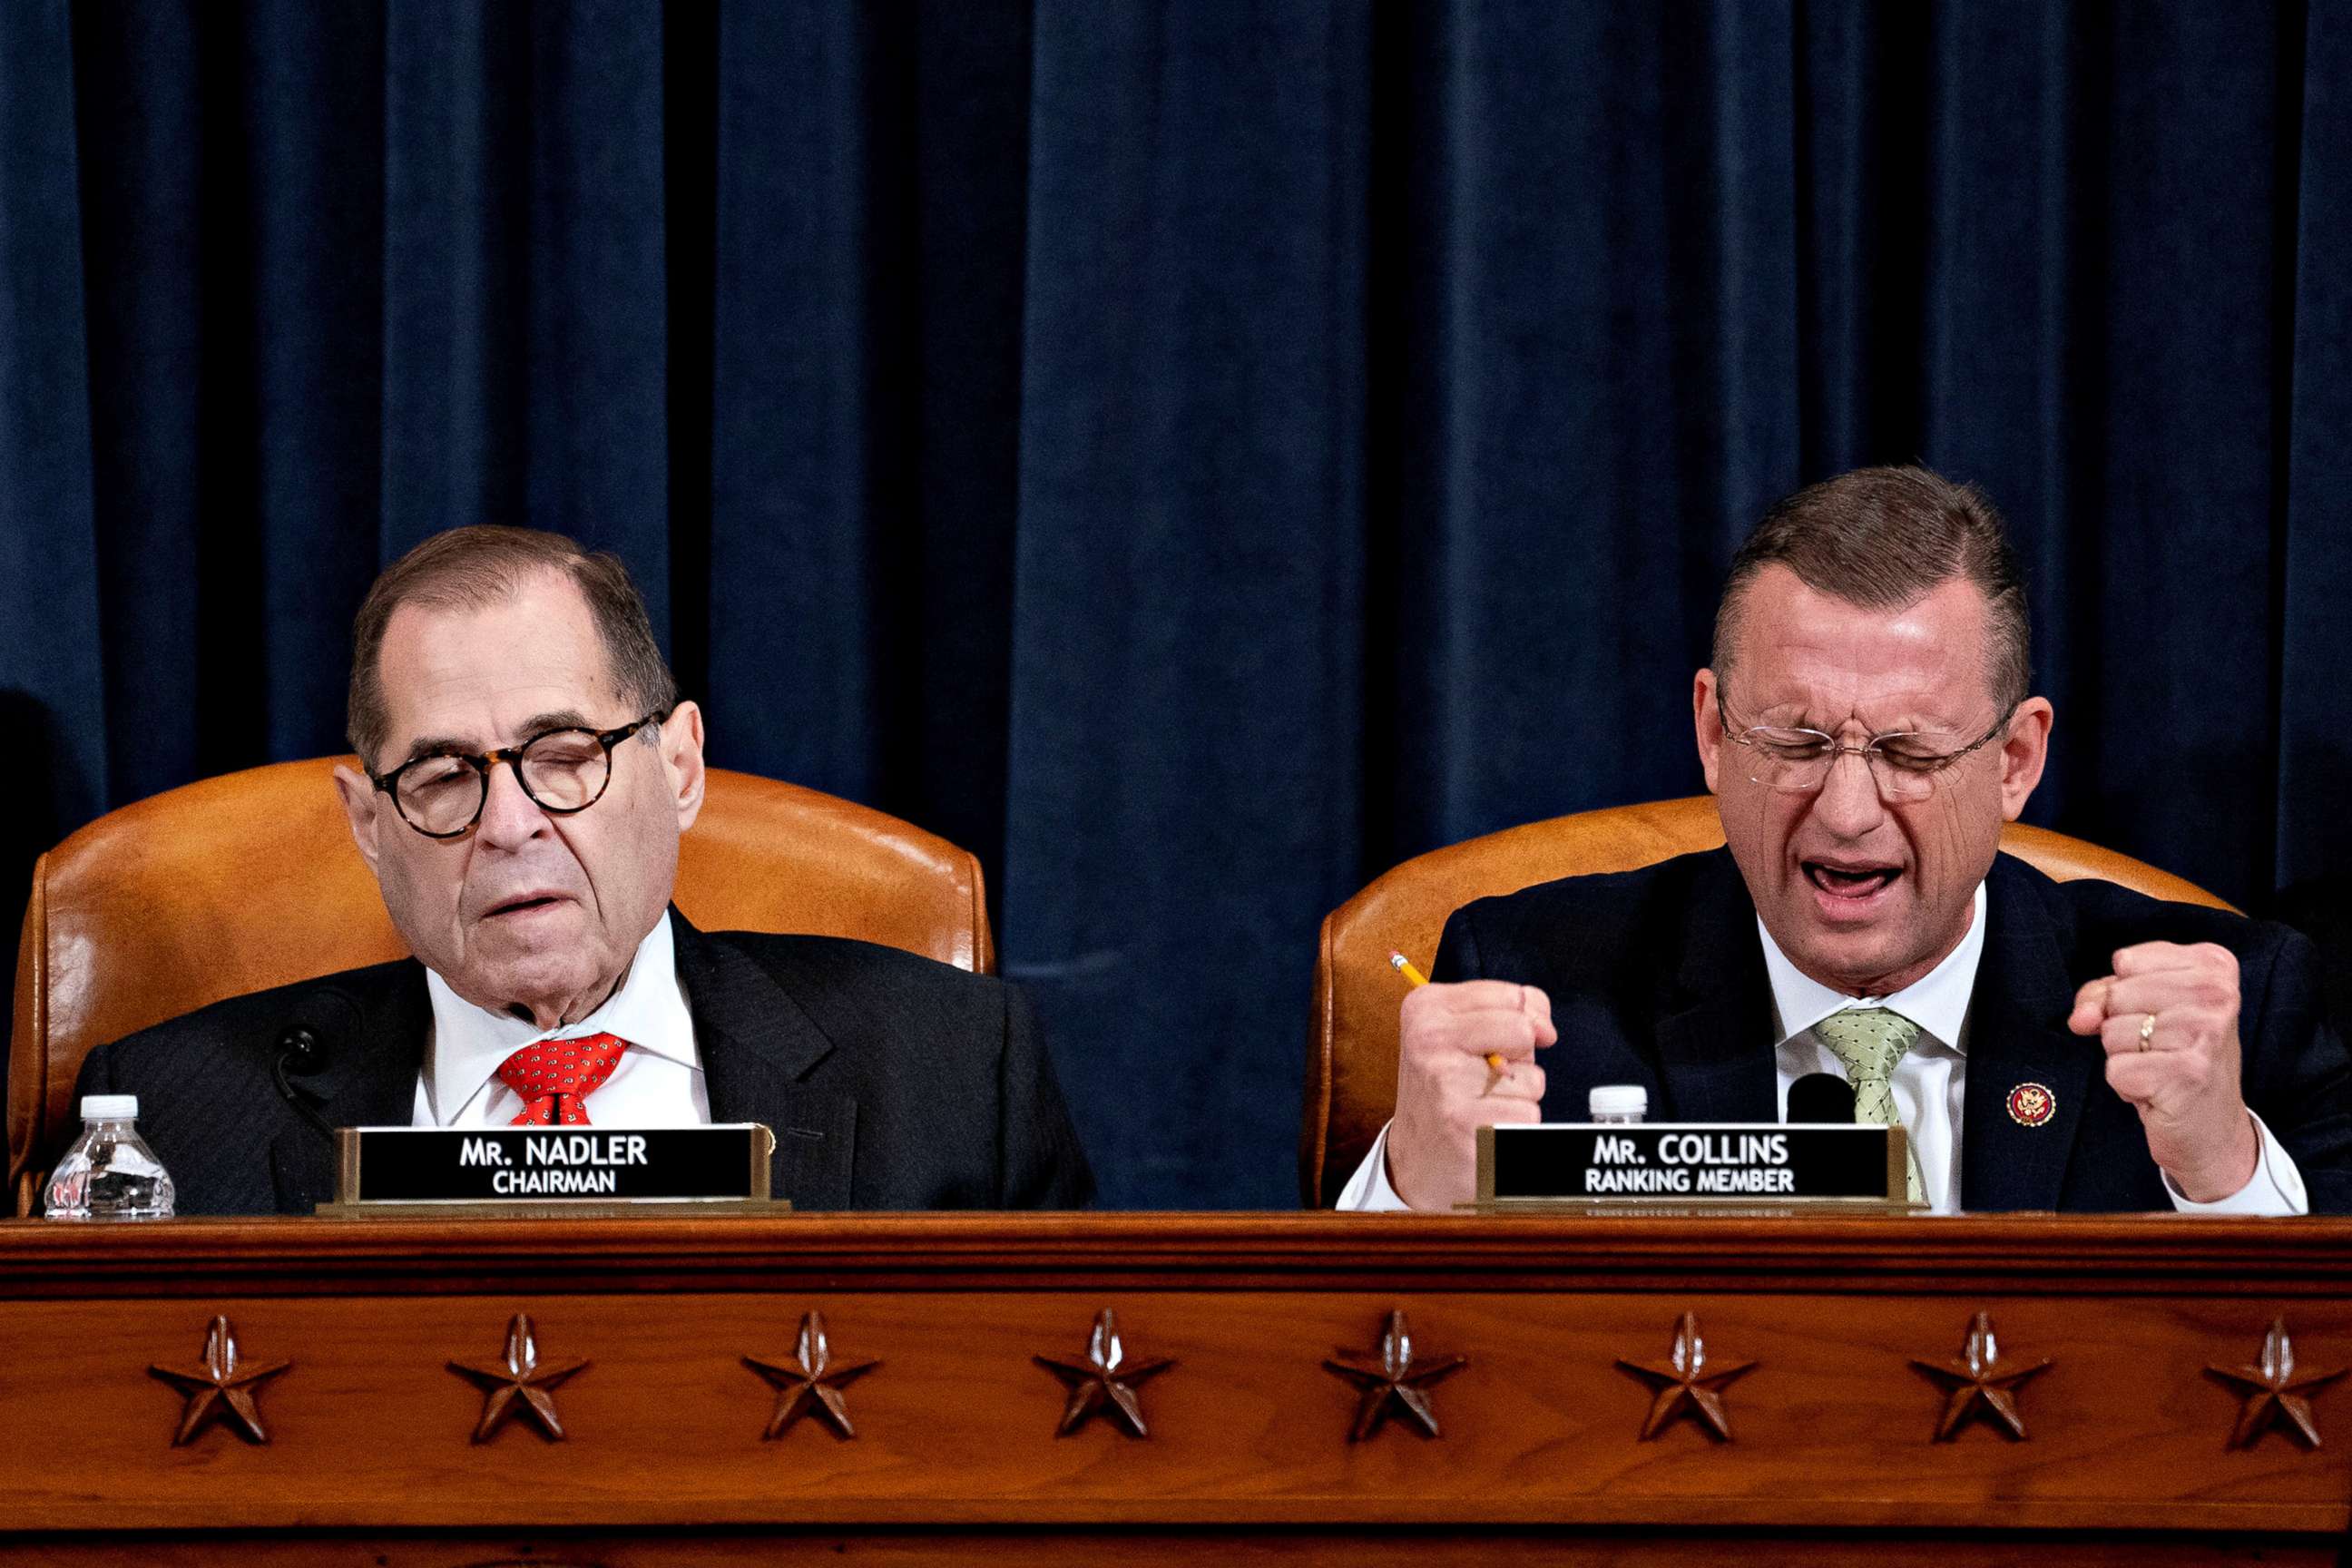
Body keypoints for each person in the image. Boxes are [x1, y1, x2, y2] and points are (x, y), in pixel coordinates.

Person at [1341, 466, 2352, 1213]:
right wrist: (1414, 1192)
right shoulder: (1537, 996)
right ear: (1711, 733)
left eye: (1910, 752)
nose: (1848, 810)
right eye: (1799, 741)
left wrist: (2221, 1173)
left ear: (2015, 761)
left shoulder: (2240, 1017)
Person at [70, 527, 1093, 1214]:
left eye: (564, 758)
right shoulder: (168, 1124)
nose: (510, 824)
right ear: (370, 823)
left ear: (680, 766)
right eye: (440, 775)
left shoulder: (955, 1076)